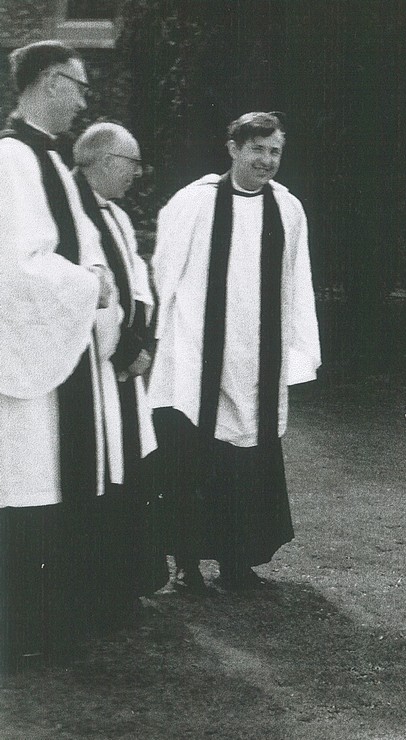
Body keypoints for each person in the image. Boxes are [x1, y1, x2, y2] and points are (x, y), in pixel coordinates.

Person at [148, 111, 321, 593]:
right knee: (189, 461)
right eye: (257, 149)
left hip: (256, 359)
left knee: (247, 464)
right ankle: (186, 566)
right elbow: (165, 274)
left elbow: (296, 281)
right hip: (196, 356)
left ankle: (237, 562)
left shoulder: (288, 209)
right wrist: (156, 340)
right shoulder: (195, 203)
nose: (266, 161)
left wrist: (298, 348)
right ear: (233, 148)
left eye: (275, 152)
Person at [0, 41, 121, 670]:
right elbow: (14, 272)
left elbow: (86, 242)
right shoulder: (12, 161)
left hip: (64, 358)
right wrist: (88, 285)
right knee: (25, 486)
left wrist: (96, 277)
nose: (82, 99)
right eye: (76, 85)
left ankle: (48, 621)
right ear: (48, 83)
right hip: (26, 372)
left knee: (48, 485)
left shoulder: (47, 160)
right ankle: (22, 629)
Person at [72, 122, 169, 625]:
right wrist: (125, 346)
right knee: (102, 467)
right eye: (130, 164)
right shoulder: (74, 215)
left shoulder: (117, 215)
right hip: (95, 368)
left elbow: (135, 283)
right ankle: (100, 586)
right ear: (104, 161)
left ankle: (130, 578)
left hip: (126, 369)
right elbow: (94, 288)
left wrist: (143, 339)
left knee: (132, 466)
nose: (135, 174)